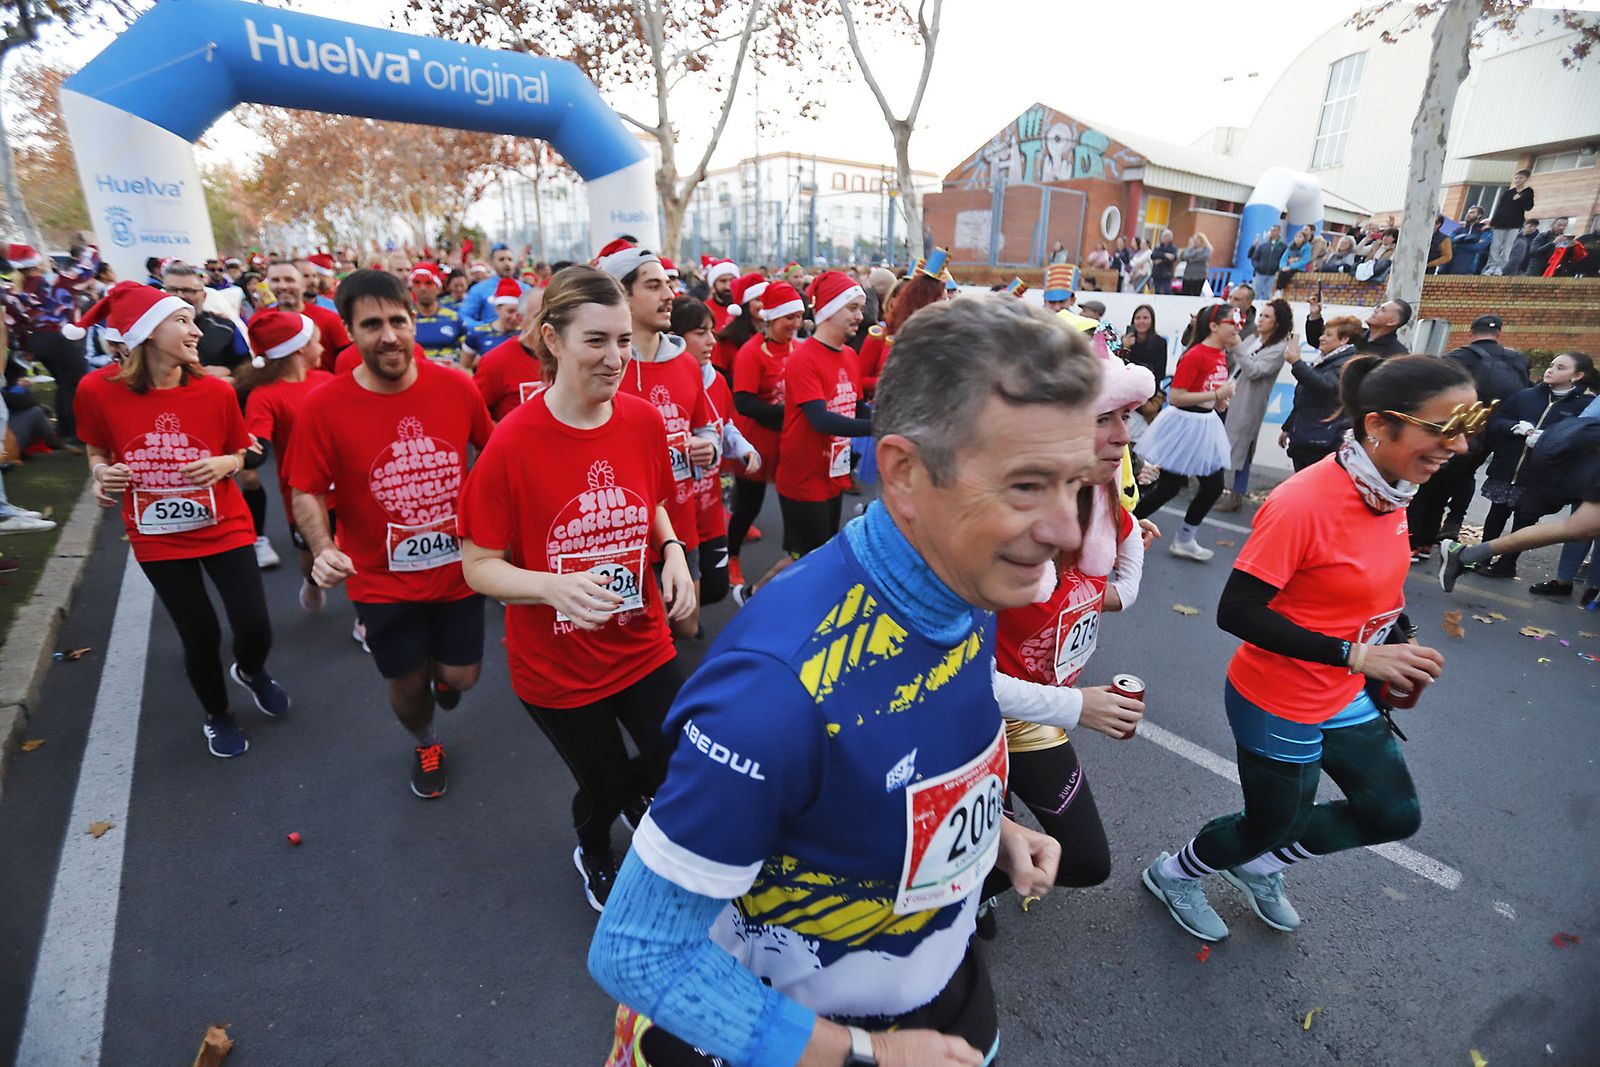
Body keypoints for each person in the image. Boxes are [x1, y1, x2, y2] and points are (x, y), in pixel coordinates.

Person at [588, 295, 1092, 1067]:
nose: (1067, 529)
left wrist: (993, 836)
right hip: (795, 1027)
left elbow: (919, 750)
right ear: (904, 474)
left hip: (939, 981)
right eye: (1026, 485)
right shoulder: (771, 694)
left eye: (1075, 482)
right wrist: (868, 1056)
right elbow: (637, 953)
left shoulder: (970, 573)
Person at [1142, 354, 1470, 943]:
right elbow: (1236, 612)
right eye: (1443, 429)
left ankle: (1259, 866)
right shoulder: (1303, 502)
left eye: (1465, 428)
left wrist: (1404, 643)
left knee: (1392, 814)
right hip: (1279, 698)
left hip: (1345, 692)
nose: (1461, 445)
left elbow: (1381, 584)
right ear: (1379, 425)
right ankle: (1174, 873)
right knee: (1275, 821)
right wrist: (1358, 656)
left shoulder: (1393, 489)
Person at [459, 266, 694, 910]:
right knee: (605, 783)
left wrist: (671, 551)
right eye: (596, 341)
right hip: (557, 667)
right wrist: (552, 587)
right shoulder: (513, 442)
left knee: (682, 755)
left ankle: (639, 805)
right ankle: (594, 845)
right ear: (552, 340)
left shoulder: (643, 421)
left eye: (623, 340)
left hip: (642, 641)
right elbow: (477, 564)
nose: (616, 358)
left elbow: (651, 501)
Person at [289, 269, 493, 799]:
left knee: (461, 677)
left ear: (413, 320)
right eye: (372, 324)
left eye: (398, 321)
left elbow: (495, 460)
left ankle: (443, 680)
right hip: (379, 578)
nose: (389, 336)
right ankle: (425, 740)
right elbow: (305, 489)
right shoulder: (324, 406)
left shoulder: (456, 386)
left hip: (458, 568)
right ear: (350, 333)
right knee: (406, 681)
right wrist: (323, 547)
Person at [978, 336, 1155, 938]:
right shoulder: (998, 528)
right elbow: (961, 683)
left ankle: (973, 889)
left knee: (1085, 860)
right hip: (970, 725)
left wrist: (1106, 593)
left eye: (1125, 417)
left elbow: (1129, 550)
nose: (1124, 436)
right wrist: (1081, 705)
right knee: (963, 847)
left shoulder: (1102, 499)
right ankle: (953, 898)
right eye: (1103, 420)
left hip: (1038, 719)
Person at [72, 281, 288, 757]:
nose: (196, 331)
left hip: (224, 523)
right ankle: (218, 714)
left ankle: (251, 671)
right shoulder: (97, 390)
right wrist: (101, 475)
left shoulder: (213, 391)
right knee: (200, 634)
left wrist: (225, 464)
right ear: (146, 333)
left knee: (254, 626)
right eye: (182, 321)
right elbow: (95, 450)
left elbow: (241, 451)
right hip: (158, 536)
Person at [598, 246, 720, 639]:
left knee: (687, 627)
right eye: (654, 286)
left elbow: (706, 427)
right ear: (621, 294)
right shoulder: (604, 365)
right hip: (621, 535)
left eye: (669, 283)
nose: (669, 293)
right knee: (642, 644)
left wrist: (709, 447)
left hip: (682, 524)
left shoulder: (685, 362)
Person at [736, 271, 872, 603]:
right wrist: (882, 426)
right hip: (803, 477)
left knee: (818, 555)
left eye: (861, 308)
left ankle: (759, 596)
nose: (860, 316)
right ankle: (755, 595)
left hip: (833, 473)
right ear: (829, 310)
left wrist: (887, 414)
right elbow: (820, 419)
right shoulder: (804, 357)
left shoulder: (849, 356)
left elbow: (853, 407)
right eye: (852, 308)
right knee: (808, 558)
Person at [1461, 352, 1596, 579]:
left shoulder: (1584, 406)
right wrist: (1515, 427)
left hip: (1541, 475)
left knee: (1525, 519)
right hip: (1508, 467)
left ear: (1577, 375)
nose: (1550, 370)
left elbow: (1581, 440)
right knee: (1497, 513)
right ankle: (1481, 557)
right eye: (1551, 365)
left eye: (1560, 367)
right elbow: (1497, 421)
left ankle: (1507, 563)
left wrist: (1548, 439)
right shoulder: (1526, 396)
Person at [1405, 314, 1531, 554]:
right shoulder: (1517, 360)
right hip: (1496, 435)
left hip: (1457, 430)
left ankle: (1413, 542)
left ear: (1471, 332)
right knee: (1460, 479)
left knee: (1428, 487)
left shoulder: (1460, 357)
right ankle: (1438, 533)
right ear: (1498, 334)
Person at [239, 309, 333, 613]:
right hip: (302, 490)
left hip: (346, 483)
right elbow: (257, 441)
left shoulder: (328, 380)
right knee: (311, 555)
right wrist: (246, 455)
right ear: (300, 348)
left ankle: (368, 617)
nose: (323, 349)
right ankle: (312, 582)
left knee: (363, 549)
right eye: (318, 343)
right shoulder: (265, 395)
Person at [1132, 304, 1241, 560]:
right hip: (1186, 425)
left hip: (1205, 423)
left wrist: (1218, 401)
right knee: (1179, 487)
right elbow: (1178, 397)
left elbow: (1202, 391)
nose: (1237, 328)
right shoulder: (1196, 355)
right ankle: (1128, 525)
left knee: (1195, 486)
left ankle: (1180, 537)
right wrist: (1216, 394)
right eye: (1231, 323)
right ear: (1214, 326)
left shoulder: (1220, 354)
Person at [673, 296, 760, 612]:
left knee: (714, 588)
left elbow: (725, 425)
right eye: (700, 332)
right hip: (671, 515)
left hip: (708, 508)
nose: (711, 341)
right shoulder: (665, 380)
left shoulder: (716, 378)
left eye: (711, 331)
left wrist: (745, 449)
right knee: (679, 604)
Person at [727, 280, 804, 589]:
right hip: (757, 442)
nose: (796, 324)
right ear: (771, 318)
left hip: (790, 440)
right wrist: (789, 412)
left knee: (795, 505)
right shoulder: (751, 353)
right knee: (748, 506)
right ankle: (731, 557)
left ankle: (795, 564)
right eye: (789, 318)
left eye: (799, 317)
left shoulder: (800, 348)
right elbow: (743, 402)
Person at [1217, 299, 1296, 512]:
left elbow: (1254, 371)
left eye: (1267, 316)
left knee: (1243, 448)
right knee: (1222, 443)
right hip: (1230, 396)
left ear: (1277, 323)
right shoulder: (1254, 337)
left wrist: (1238, 347)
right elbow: (1237, 362)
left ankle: (1236, 495)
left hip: (1248, 403)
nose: (1261, 319)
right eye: (1261, 315)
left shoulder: (1279, 348)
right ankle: (1216, 490)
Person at [10, 243, 90, 444]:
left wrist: (26, 347)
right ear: (37, 262)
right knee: (74, 384)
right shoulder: (47, 280)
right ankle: (76, 433)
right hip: (58, 337)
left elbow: (17, 322)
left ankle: (66, 431)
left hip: (37, 340)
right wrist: (88, 251)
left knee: (64, 385)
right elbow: (82, 274)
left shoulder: (20, 288)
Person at [1281, 314, 1364, 472]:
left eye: (1328, 335)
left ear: (1344, 339)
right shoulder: (1325, 360)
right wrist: (1288, 427)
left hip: (1322, 440)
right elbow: (1305, 398)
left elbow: (1326, 387)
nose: (1321, 338)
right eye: (1323, 333)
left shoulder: (1346, 363)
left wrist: (1297, 363)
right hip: (1308, 437)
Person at [162, 261, 248, 376]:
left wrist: (229, 371)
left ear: (204, 295)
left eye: (188, 290)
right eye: (172, 290)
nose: (180, 295)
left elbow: (247, 364)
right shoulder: (150, 331)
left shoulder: (225, 328)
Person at [473, 288, 547, 421]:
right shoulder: (496, 360)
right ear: (520, 319)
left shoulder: (568, 357)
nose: (548, 323)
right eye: (540, 316)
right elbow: (475, 412)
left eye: (553, 315)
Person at [265, 260, 350, 374]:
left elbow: (348, 358)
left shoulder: (331, 315)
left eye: (314, 276)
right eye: (276, 280)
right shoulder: (263, 320)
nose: (283, 286)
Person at [458, 243, 532, 329]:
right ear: (492, 263)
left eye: (510, 259)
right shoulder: (479, 289)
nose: (507, 263)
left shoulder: (526, 289)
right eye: (501, 259)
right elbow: (463, 317)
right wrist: (486, 328)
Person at [712, 272, 767, 380]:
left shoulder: (773, 334)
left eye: (767, 298)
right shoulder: (728, 339)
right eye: (758, 300)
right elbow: (717, 375)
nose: (764, 304)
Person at [408, 265, 467, 367]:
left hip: (448, 376)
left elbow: (470, 351)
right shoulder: (406, 319)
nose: (423, 288)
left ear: (438, 289)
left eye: (429, 283)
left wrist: (461, 367)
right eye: (417, 283)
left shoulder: (453, 317)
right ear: (411, 288)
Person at [1483, 169, 1535, 276]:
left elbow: (1528, 207)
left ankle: (1500, 268)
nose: (1518, 180)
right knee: (1495, 246)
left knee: (1507, 247)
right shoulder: (1508, 192)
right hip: (1501, 222)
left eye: (1521, 178)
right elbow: (1500, 207)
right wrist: (1493, 222)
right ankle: (1492, 266)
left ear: (1526, 179)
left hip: (1514, 224)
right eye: (1516, 178)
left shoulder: (1528, 192)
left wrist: (1520, 199)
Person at [1122, 304, 1168, 384]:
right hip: (1127, 385)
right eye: (1137, 318)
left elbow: (1160, 373)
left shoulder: (1160, 343)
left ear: (1152, 320)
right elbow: (1119, 368)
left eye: (1145, 318)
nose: (1141, 321)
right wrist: (1126, 348)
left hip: (1149, 386)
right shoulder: (1124, 340)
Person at [1447, 206, 1492, 275]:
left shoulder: (1484, 231)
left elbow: (1479, 247)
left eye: (1472, 212)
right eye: (1468, 212)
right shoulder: (1459, 230)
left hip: (1473, 269)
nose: (1468, 214)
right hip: (1451, 266)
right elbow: (1450, 245)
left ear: (1479, 215)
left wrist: (1458, 245)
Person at [1249, 225, 1286, 297]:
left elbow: (1284, 259)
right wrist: (1257, 267)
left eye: (1274, 230)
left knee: (1268, 295)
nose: (1272, 232)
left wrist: (1278, 268)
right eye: (1271, 230)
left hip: (1273, 274)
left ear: (1279, 232)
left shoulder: (1282, 246)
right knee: (1255, 294)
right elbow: (1254, 258)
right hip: (1260, 273)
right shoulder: (1263, 245)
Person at [1151, 229, 1179, 294]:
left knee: (1167, 290)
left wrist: (1161, 259)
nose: (1163, 238)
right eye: (1163, 236)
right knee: (1157, 290)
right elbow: (1153, 255)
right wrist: (1165, 255)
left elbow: (1173, 257)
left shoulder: (1173, 247)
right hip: (1157, 272)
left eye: (1165, 236)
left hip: (1167, 272)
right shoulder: (1158, 246)